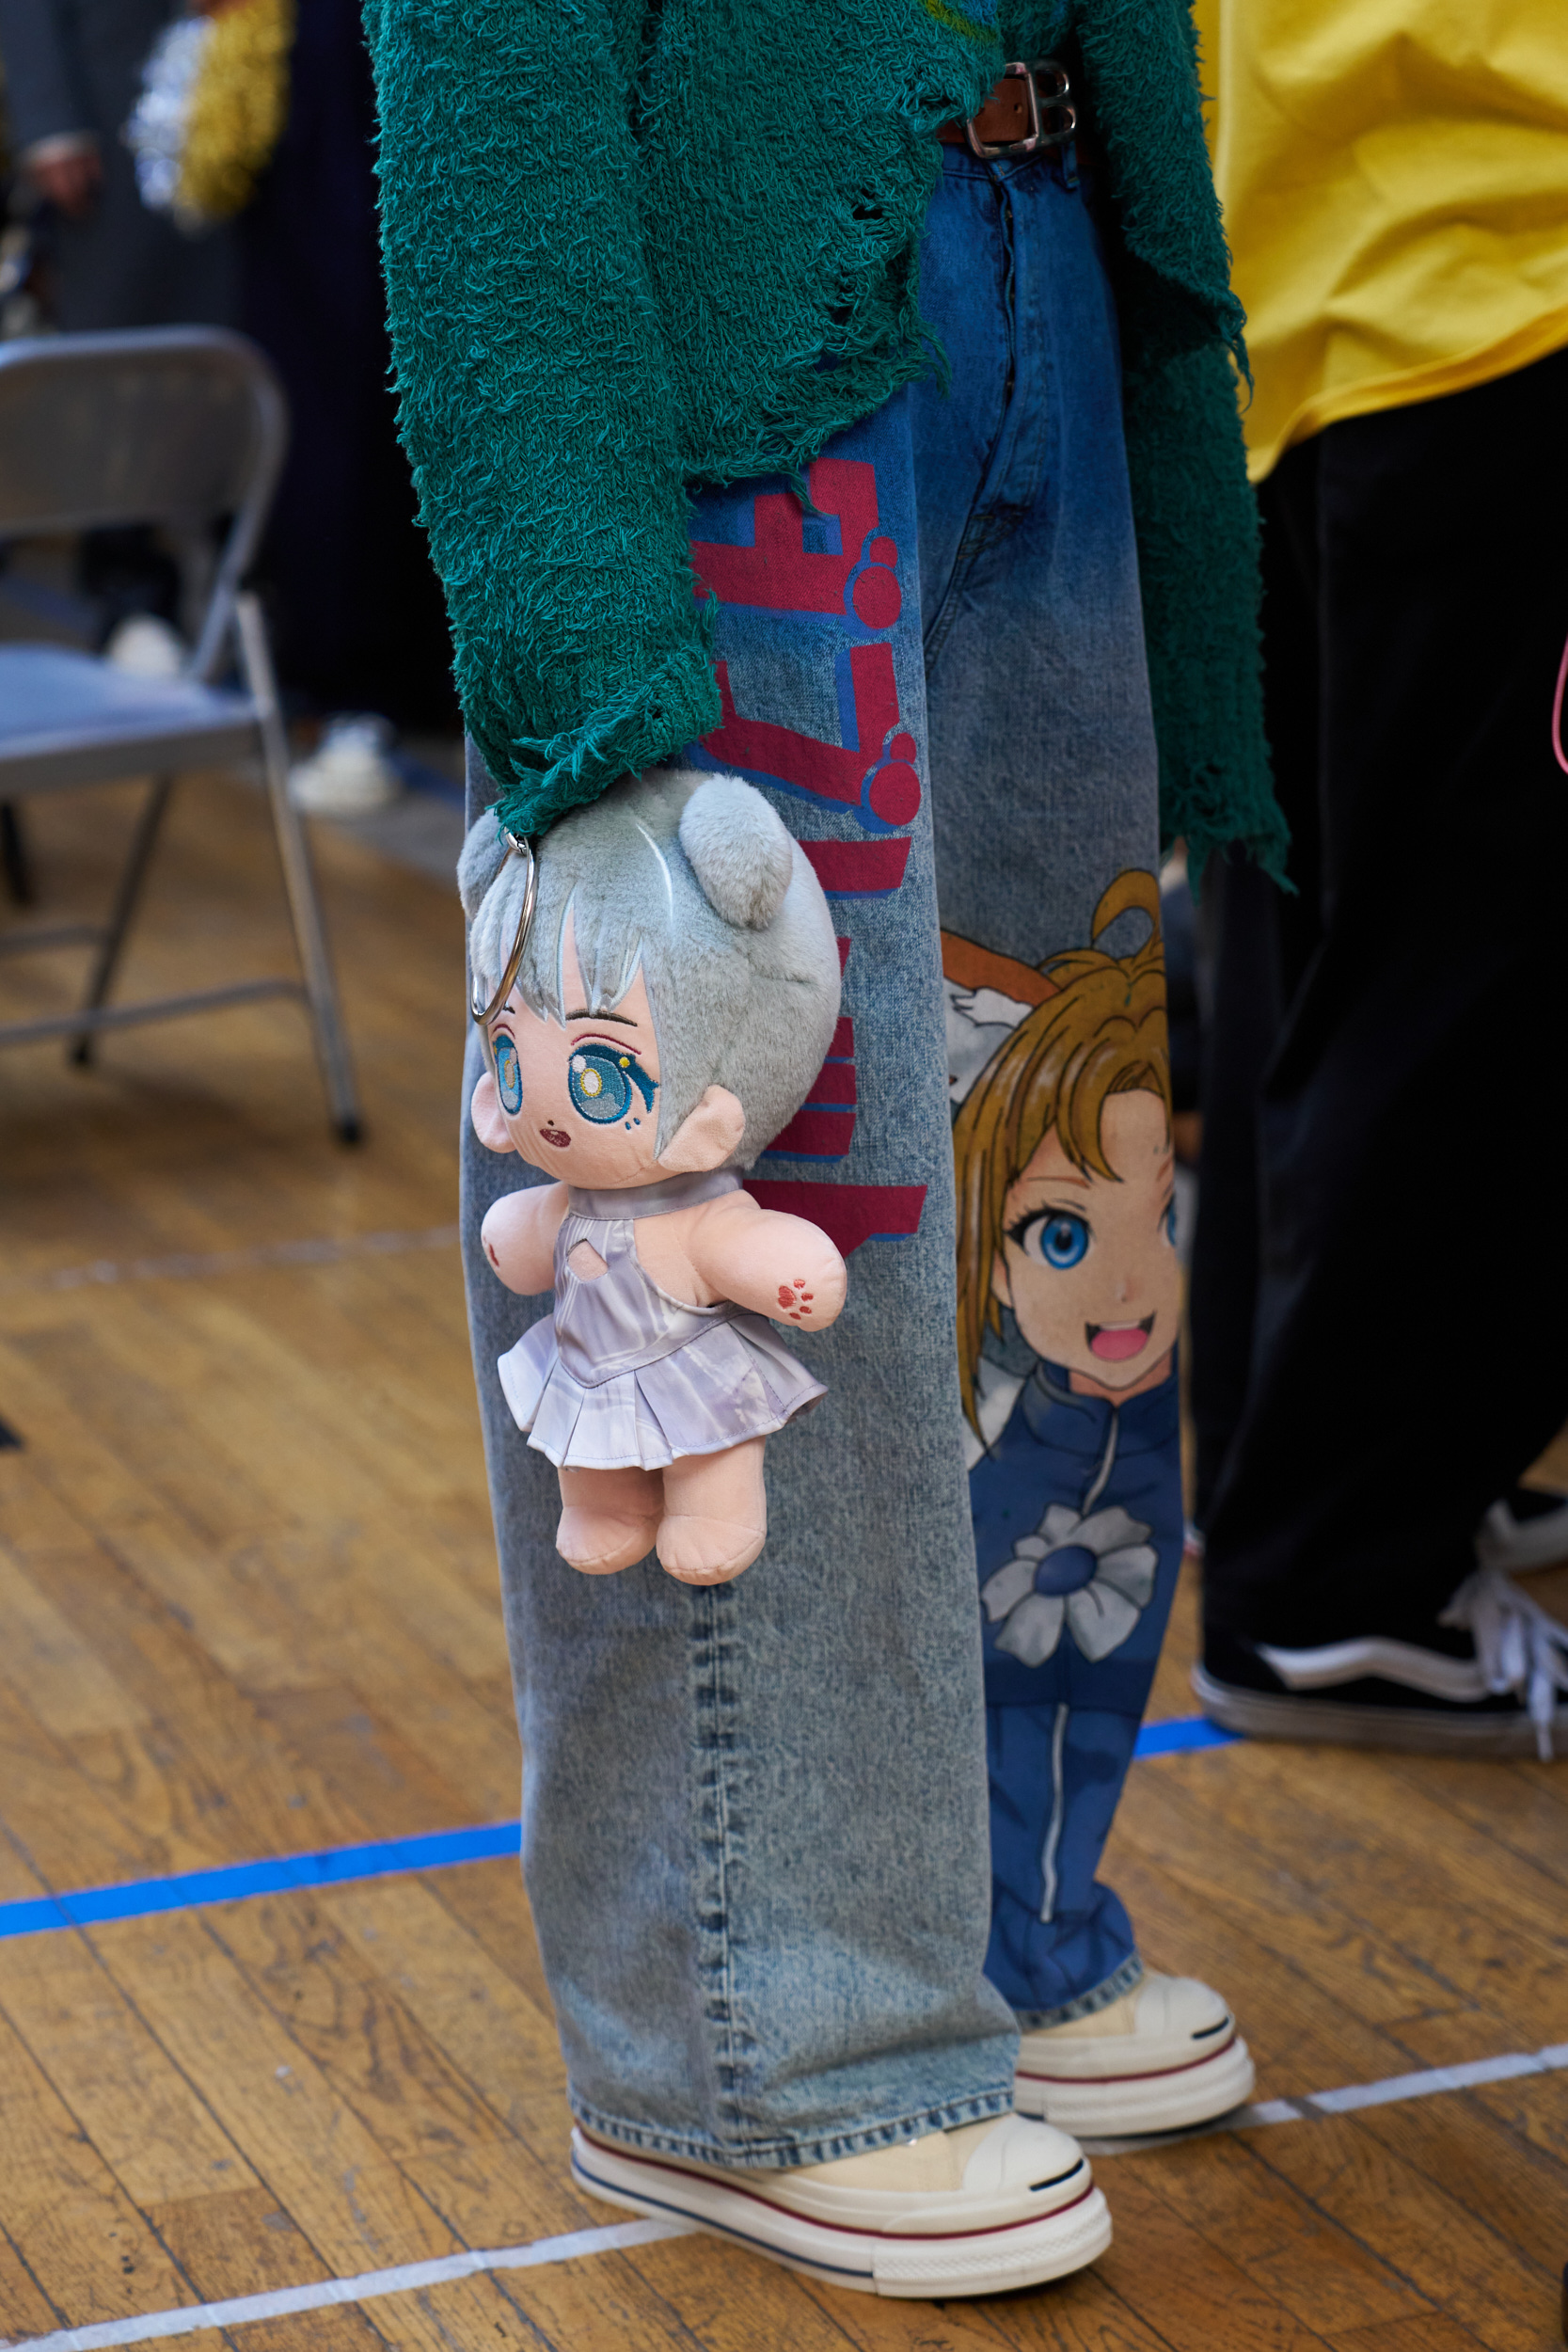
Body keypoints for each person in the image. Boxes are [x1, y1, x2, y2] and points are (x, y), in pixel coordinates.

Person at [366, 0, 1281, 2291]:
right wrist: (575, 631)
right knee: (769, 1203)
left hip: (1038, 230)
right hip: (733, 332)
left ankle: (999, 1930)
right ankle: (758, 2039)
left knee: (1048, 1127)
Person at [1189, 0, 1568, 1756]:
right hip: (1506, 274)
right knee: (1477, 964)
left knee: (1325, 952)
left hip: (1304, 281)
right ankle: (1340, 1571)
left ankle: (1315, 1496)